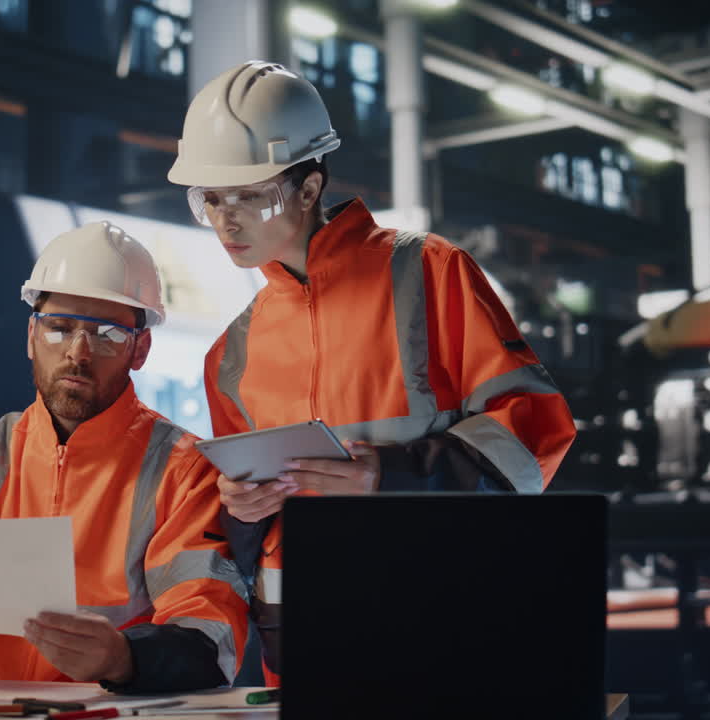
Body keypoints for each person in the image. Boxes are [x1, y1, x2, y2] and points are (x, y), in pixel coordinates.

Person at [167, 61, 578, 685]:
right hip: (306, 648)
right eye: (212, 200)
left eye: (250, 195)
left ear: (309, 188)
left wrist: (393, 475)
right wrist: (241, 511)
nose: (228, 220)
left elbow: (534, 431)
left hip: (442, 622)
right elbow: (239, 540)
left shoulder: (428, 272)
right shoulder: (231, 354)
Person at [0, 221, 248, 692]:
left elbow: (210, 639)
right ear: (31, 336)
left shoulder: (185, 472)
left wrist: (123, 658)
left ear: (140, 349)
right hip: (1, 710)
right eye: (59, 328)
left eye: (107, 333)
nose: (78, 352)